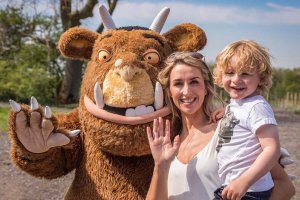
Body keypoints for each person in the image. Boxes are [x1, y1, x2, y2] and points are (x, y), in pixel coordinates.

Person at [145, 51, 295, 200]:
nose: (186, 91)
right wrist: (160, 165)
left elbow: (285, 186)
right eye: (178, 83)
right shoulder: (166, 142)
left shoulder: (230, 129)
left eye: (194, 82)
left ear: (206, 87)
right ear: (170, 92)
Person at [212, 40, 280, 200]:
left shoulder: (257, 107)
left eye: (245, 74)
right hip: (234, 186)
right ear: (221, 76)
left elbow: (272, 149)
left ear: (261, 78)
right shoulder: (237, 104)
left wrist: (244, 182)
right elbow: (243, 117)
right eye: (229, 73)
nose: (236, 79)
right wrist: (226, 112)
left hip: (249, 190)